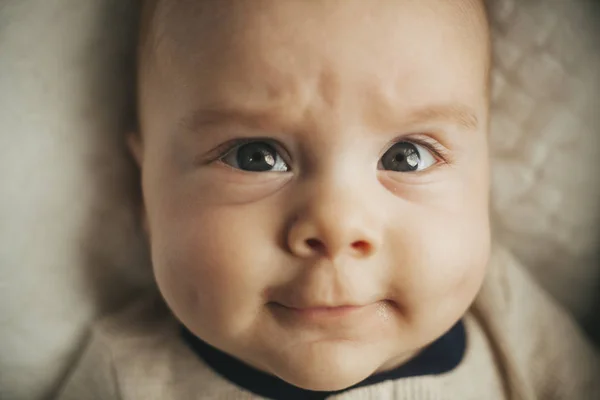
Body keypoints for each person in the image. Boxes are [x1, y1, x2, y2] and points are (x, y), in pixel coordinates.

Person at [56, 0, 600, 398]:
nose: (336, 224)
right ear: (147, 192)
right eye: (254, 157)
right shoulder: (126, 376)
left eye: (406, 156)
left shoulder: (502, 309)